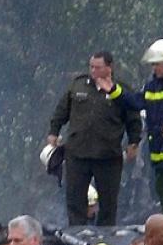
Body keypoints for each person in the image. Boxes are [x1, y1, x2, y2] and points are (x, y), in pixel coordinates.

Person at [97, 39, 163, 229]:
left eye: (157, 64)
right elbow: (136, 102)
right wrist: (114, 91)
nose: (155, 68)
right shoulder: (152, 86)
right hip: (161, 155)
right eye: (153, 65)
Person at [47, 51, 142, 226]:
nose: (93, 71)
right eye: (91, 67)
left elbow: (133, 118)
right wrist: (54, 131)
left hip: (107, 155)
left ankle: (106, 238)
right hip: (77, 152)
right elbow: (61, 110)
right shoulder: (78, 86)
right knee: (75, 199)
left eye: (98, 67)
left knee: (108, 202)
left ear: (109, 67)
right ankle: (77, 234)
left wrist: (133, 142)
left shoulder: (121, 90)